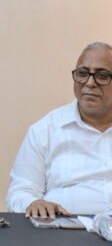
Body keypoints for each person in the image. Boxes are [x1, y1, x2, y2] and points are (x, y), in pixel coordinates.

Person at [6, 41, 112, 217]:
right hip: (65, 228)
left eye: (102, 75)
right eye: (82, 73)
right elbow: (20, 191)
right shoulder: (45, 131)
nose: (90, 83)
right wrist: (34, 203)